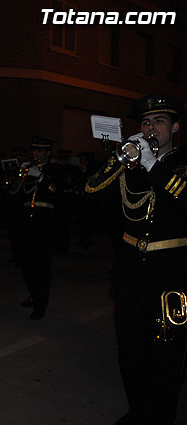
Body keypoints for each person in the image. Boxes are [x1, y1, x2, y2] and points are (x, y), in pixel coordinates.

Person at [85, 94, 186, 425]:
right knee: (130, 351)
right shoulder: (132, 164)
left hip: (171, 274)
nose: (151, 128)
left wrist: (152, 166)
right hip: (130, 273)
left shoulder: (183, 163)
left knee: (167, 355)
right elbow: (91, 191)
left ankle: (161, 418)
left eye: (158, 122)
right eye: (145, 123)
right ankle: (138, 412)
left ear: (174, 126)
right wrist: (119, 157)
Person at [12, 137, 67, 320]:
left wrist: (41, 177)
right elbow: (15, 193)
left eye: (40, 151)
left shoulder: (56, 169)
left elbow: (57, 192)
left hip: (45, 220)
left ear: (48, 153)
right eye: (34, 151)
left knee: (42, 264)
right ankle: (33, 294)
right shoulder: (28, 170)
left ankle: (40, 303)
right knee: (26, 262)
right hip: (27, 219)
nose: (36, 154)